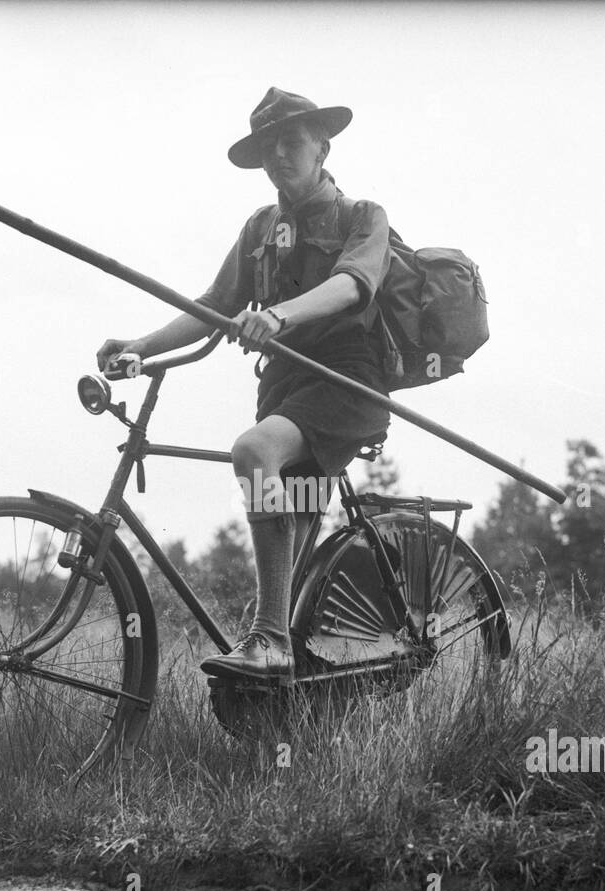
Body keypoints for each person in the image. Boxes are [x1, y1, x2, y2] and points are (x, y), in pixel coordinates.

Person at [97, 87, 392, 679]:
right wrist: (139, 346)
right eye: (268, 148)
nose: (280, 155)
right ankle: (281, 677)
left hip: (346, 381)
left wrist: (278, 315)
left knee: (254, 452)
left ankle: (269, 641)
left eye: (292, 142)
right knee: (294, 531)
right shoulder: (260, 228)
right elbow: (213, 304)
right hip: (285, 388)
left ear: (322, 147)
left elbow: (352, 286)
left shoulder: (364, 217)